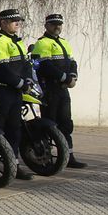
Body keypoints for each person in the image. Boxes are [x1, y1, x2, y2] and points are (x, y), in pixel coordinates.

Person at [0, 8, 35, 180]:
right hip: (2, 90)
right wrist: (20, 83)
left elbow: (26, 64)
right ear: (3, 23)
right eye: (14, 21)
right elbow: (1, 69)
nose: (18, 24)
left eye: (19, 21)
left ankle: (14, 165)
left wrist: (27, 80)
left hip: (16, 91)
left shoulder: (17, 41)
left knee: (15, 129)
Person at [31, 13, 86, 168]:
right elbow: (46, 66)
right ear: (46, 26)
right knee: (50, 124)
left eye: (59, 24)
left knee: (66, 123)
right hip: (50, 89)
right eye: (54, 24)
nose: (57, 27)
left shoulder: (64, 42)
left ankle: (69, 156)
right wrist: (65, 78)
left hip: (63, 90)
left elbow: (72, 62)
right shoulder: (42, 43)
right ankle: (46, 157)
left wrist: (73, 76)